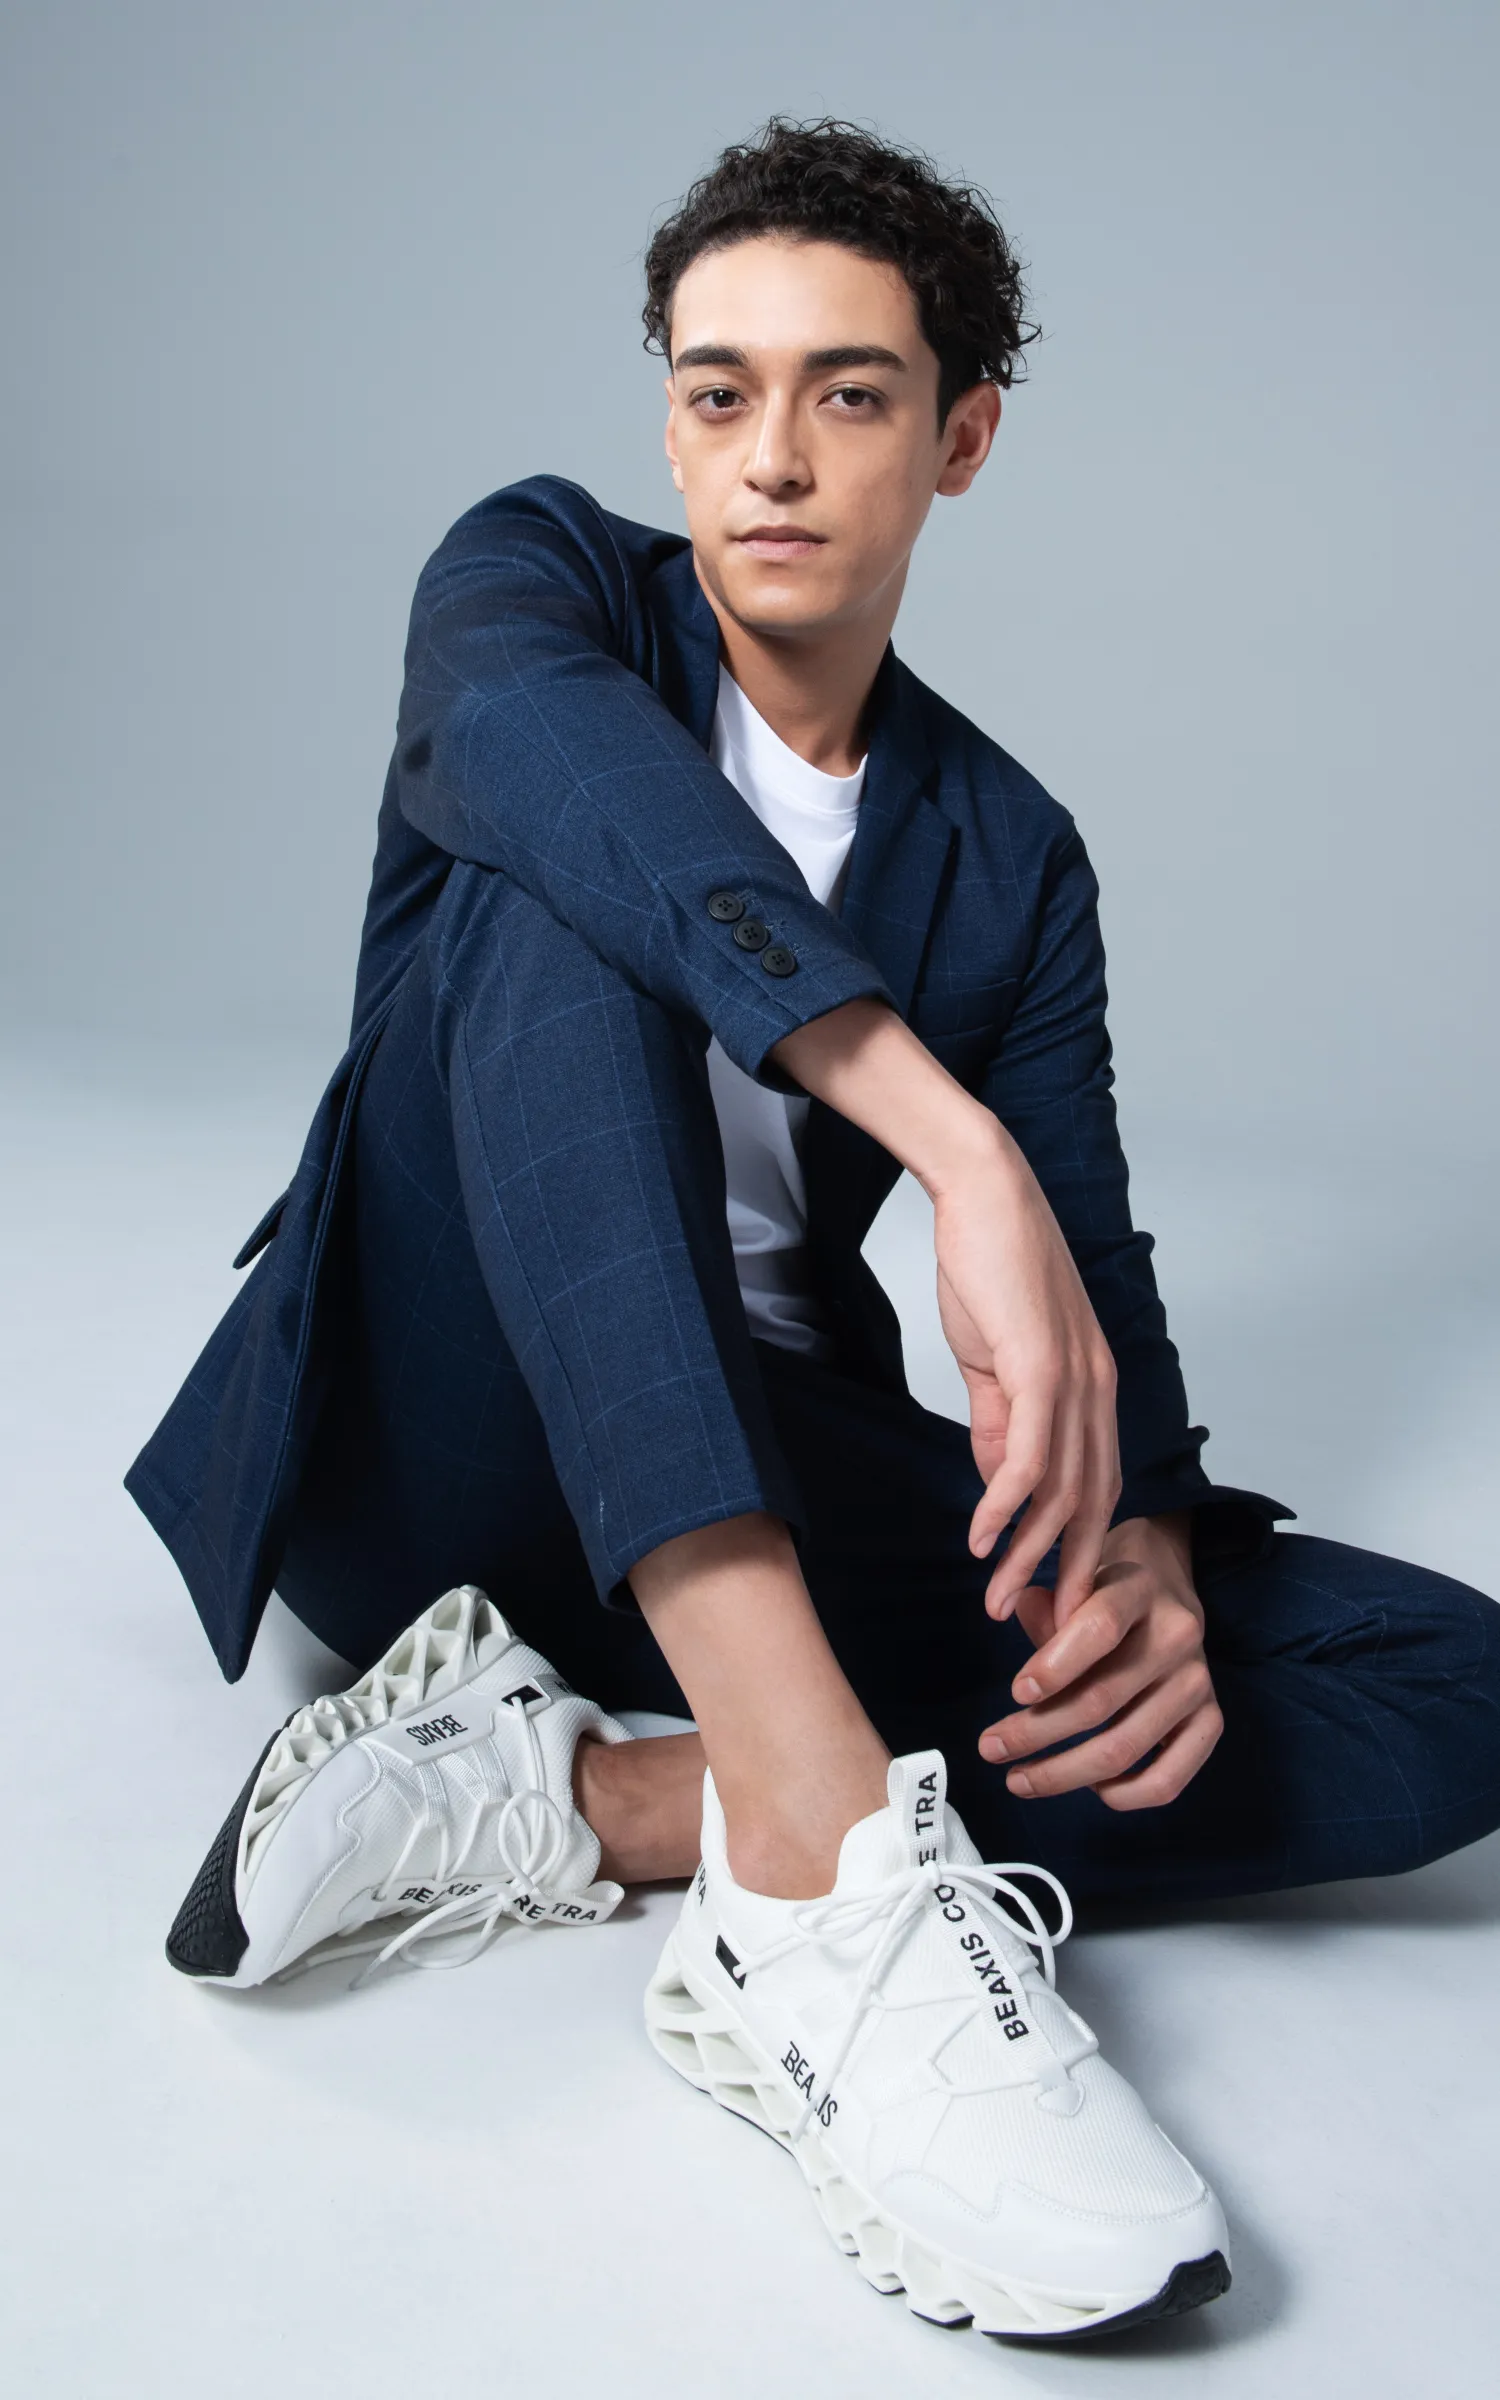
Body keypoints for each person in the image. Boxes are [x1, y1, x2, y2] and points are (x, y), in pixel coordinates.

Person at [127, 117, 1500, 2343]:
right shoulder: (536, 594)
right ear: (670, 418)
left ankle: (595, 1799)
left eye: (848, 394)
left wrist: (1142, 1551)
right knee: (556, 895)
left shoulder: (1007, 851)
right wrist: (950, 1144)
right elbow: (596, 810)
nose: (769, 457)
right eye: (718, 390)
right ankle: (829, 1895)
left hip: (761, 1447)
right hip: (434, 1433)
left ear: (961, 440)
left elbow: (1093, 1275)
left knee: (1446, 1685)